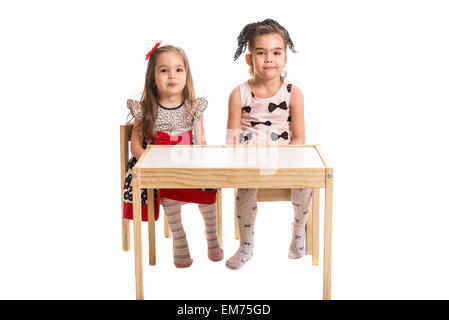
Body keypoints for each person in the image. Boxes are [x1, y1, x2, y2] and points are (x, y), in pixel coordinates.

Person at [123, 42, 223, 268]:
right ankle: (179, 239)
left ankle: (212, 235)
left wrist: (199, 161)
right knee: (167, 190)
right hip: (161, 170)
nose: (172, 75)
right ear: (153, 77)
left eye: (178, 70)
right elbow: (136, 146)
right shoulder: (146, 109)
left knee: (208, 187)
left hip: (189, 166)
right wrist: (149, 162)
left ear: (186, 75)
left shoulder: (193, 108)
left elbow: (200, 141)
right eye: (164, 70)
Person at [225, 19, 313, 270]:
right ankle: (247, 244)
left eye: (276, 52)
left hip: (284, 159)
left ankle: (298, 232)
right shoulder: (238, 93)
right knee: (245, 189)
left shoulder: (293, 93)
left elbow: (299, 138)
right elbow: (231, 137)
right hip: (250, 160)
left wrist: (285, 160)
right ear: (249, 58)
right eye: (261, 53)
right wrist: (245, 156)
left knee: (305, 184)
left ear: (285, 58)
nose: (269, 59)